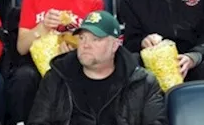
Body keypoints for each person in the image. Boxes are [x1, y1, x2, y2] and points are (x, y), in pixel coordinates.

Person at [28, 9, 166, 125]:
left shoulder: (142, 82)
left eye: (96, 39)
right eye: (82, 38)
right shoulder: (56, 77)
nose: (85, 45)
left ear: (115, 45)